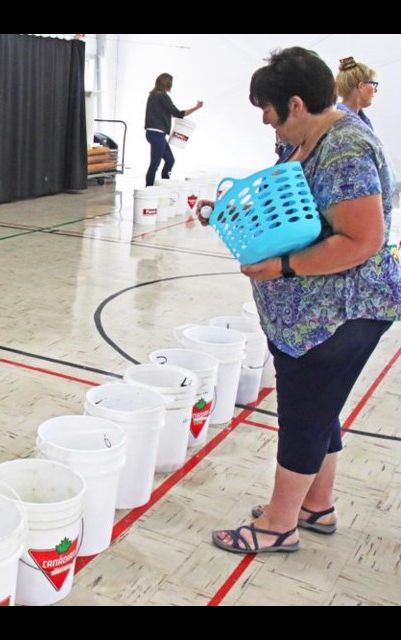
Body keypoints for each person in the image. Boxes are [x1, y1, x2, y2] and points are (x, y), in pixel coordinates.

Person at [200, 47, 401, 554]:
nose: (266, 122)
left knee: (305, 412)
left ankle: (278, 525)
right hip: (311, 313)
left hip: (340, 313)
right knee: (321, 406)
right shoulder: (307, 141)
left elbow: (361, 240)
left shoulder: (345, 148)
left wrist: (283, 267)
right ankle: (317, 505)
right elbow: (296, 209)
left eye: (267, 111)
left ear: (294, 103)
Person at [144, 73, 203, 186]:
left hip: (154, 133)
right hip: (157, 134)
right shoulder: (162, 96)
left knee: (170, 160)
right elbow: (178, 113)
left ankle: (165, 184)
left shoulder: (153, 95)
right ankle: (149, 190)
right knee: (154, 165)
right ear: (168, 84)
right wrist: (196, 108)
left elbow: (160, 113)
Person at [336, 56, 378, 130]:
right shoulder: (344, 123)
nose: (375, 90)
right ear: (361, 86)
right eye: (373, 84)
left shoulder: (362, 121)